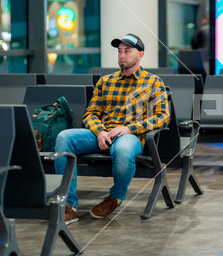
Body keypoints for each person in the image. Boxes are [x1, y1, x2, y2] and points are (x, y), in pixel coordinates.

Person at [55, 33, 170, 225]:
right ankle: (69, 205)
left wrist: (129, 128)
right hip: (102, 134)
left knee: (123, 149)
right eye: (119, 51)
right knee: (64, 138)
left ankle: (115, 197)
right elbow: (90, 113)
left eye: (127, 51)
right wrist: (99, 131)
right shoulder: (105, 82)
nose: (122, 55)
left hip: (130, 135)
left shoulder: (153, 82)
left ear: (140, 55)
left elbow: (163, 117)